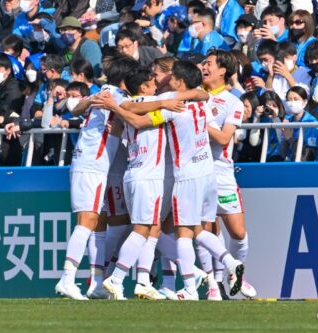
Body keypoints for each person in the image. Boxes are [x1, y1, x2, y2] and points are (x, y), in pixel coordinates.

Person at [98, 60, 245, 301]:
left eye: (171, 78)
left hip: (184, 176)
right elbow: (199, 93)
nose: (163, 82)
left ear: (179, 81)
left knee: (181, 232)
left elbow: (137, 120)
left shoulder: (170, 107)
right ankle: (229, 263)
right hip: (209, 173)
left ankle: (186, 287)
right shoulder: (203, 103)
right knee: (198, 229)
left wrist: (114, 106)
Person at [54, 56, 139, 300]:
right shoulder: (117, 96)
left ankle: (97, 282)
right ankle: (67, 278)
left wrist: (91, 100)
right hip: (92, 164)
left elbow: (76, 108)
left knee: (98, 225)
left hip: (95, 164)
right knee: (87, 221)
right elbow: (137, 113)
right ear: (126, 78)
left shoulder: (104, 92)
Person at [202, 50, 257, 300]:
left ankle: (236, 273)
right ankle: (213, 284)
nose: (204, 67)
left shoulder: (231, 102)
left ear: (223, 70)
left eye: (209, 64)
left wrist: (201, 122)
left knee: (237, 232)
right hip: (197, 172)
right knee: (206, 229)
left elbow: (224, 138)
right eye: (203, 63)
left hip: (222, 173)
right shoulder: (193, 96)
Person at [281, 86, 318, 161]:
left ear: (304, 102)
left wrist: (290, 139)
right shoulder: (287, 120)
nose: (292, 103)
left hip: (309, 166)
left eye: (295, 99)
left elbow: (308, 155)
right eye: (289, 100)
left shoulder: (311, 122)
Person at [234, 91, 261, 162]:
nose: (243, 109)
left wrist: (238, 144)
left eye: (246, 106)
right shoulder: (233, 123)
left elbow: (254, 150)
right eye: (241, 106)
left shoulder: (257, 124)